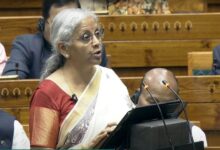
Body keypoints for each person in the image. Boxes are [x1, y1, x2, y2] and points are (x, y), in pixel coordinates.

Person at [29, 8, 133, 149]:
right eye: (86, 37)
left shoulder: (109, 77)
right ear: (64, 49)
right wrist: (88, 147)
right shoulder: (47, 93)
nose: (97, 42)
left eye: (97, 34)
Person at [2, 0, 108, 79]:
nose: (66, 30)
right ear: (44, 22)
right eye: (59, 23)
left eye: (72, 23)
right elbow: (11, 86)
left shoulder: (93, 45)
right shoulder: (26, 45)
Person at [131, 68, 208, 147]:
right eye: (152, 102)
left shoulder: (194, 135)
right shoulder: (120, 132)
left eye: (166, 104)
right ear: (137, 96)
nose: (159, 110)